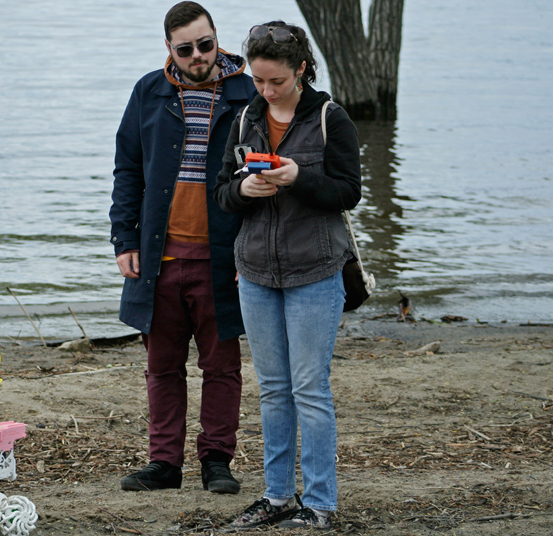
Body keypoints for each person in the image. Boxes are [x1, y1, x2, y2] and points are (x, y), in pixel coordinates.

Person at [214, 21, 361, 530]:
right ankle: (276, 498)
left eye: (275, 80)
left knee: (309, 389)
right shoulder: (243, 120)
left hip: (316, 273)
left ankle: (319, 504)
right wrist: (243, 193)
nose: (266, 90)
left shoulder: (330, 118)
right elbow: (222, 195)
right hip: (254, 272)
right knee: (273, 390)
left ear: (300, 69)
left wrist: (299, 177)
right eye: (258, 80)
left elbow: (347, 194)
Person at [109, 2, 256, 493]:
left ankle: (217, 462)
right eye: (185, 48)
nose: (198, 56)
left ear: (218, 38)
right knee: (161, 367)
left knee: (222, 366)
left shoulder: (248, 92)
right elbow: (127, 169)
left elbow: (263, 173)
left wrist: (250, 251)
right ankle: (165, 465)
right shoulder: (149, 90)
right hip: (158, 257)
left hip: (224, 255)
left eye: (206, 45)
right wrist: (123, 238)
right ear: (169, 49)